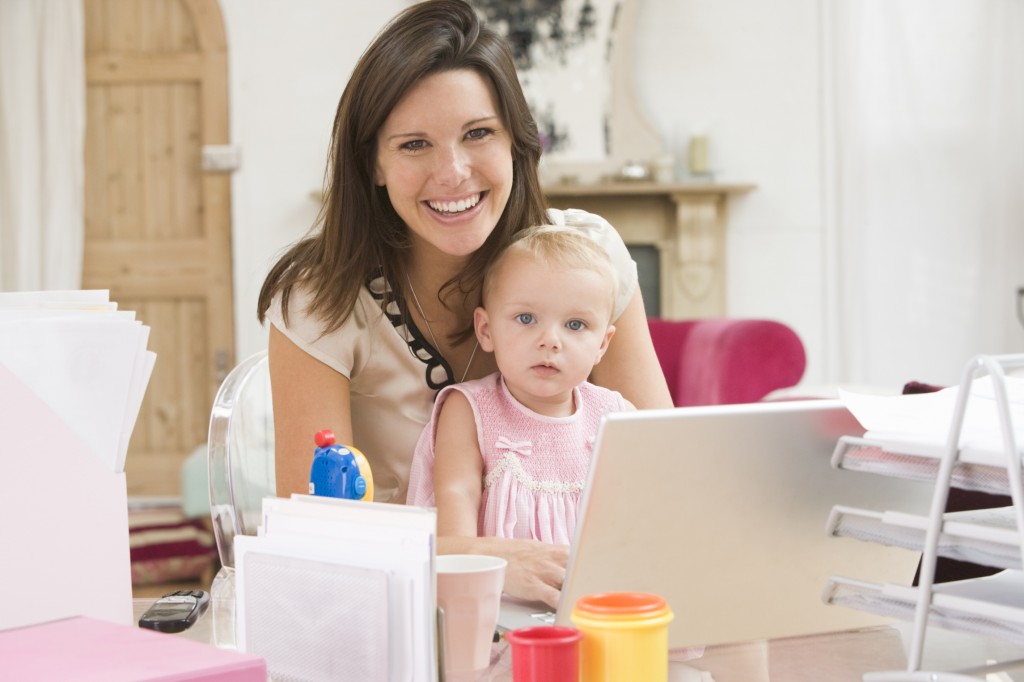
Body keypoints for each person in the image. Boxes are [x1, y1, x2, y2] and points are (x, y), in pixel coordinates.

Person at [256, 0, 671, 607]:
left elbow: (662, 471)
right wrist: (478, 558)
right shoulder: (319, 300)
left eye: (478, 134)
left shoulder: (592, 258)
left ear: (516, 143)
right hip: (399, 611)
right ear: (373, 161)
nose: (452, 173)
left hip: (582, 602)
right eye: (415, 144)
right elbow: (316, 533)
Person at [406, 225, 634, 553]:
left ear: (602, 343)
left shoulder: (616, 415)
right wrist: (465, 582)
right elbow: (457, 496)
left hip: (593, 596)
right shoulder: (470, 409)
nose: (550, 341)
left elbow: (643, 507)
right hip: (500, 593)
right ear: (485, 329)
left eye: (575, 325)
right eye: (526, 318)